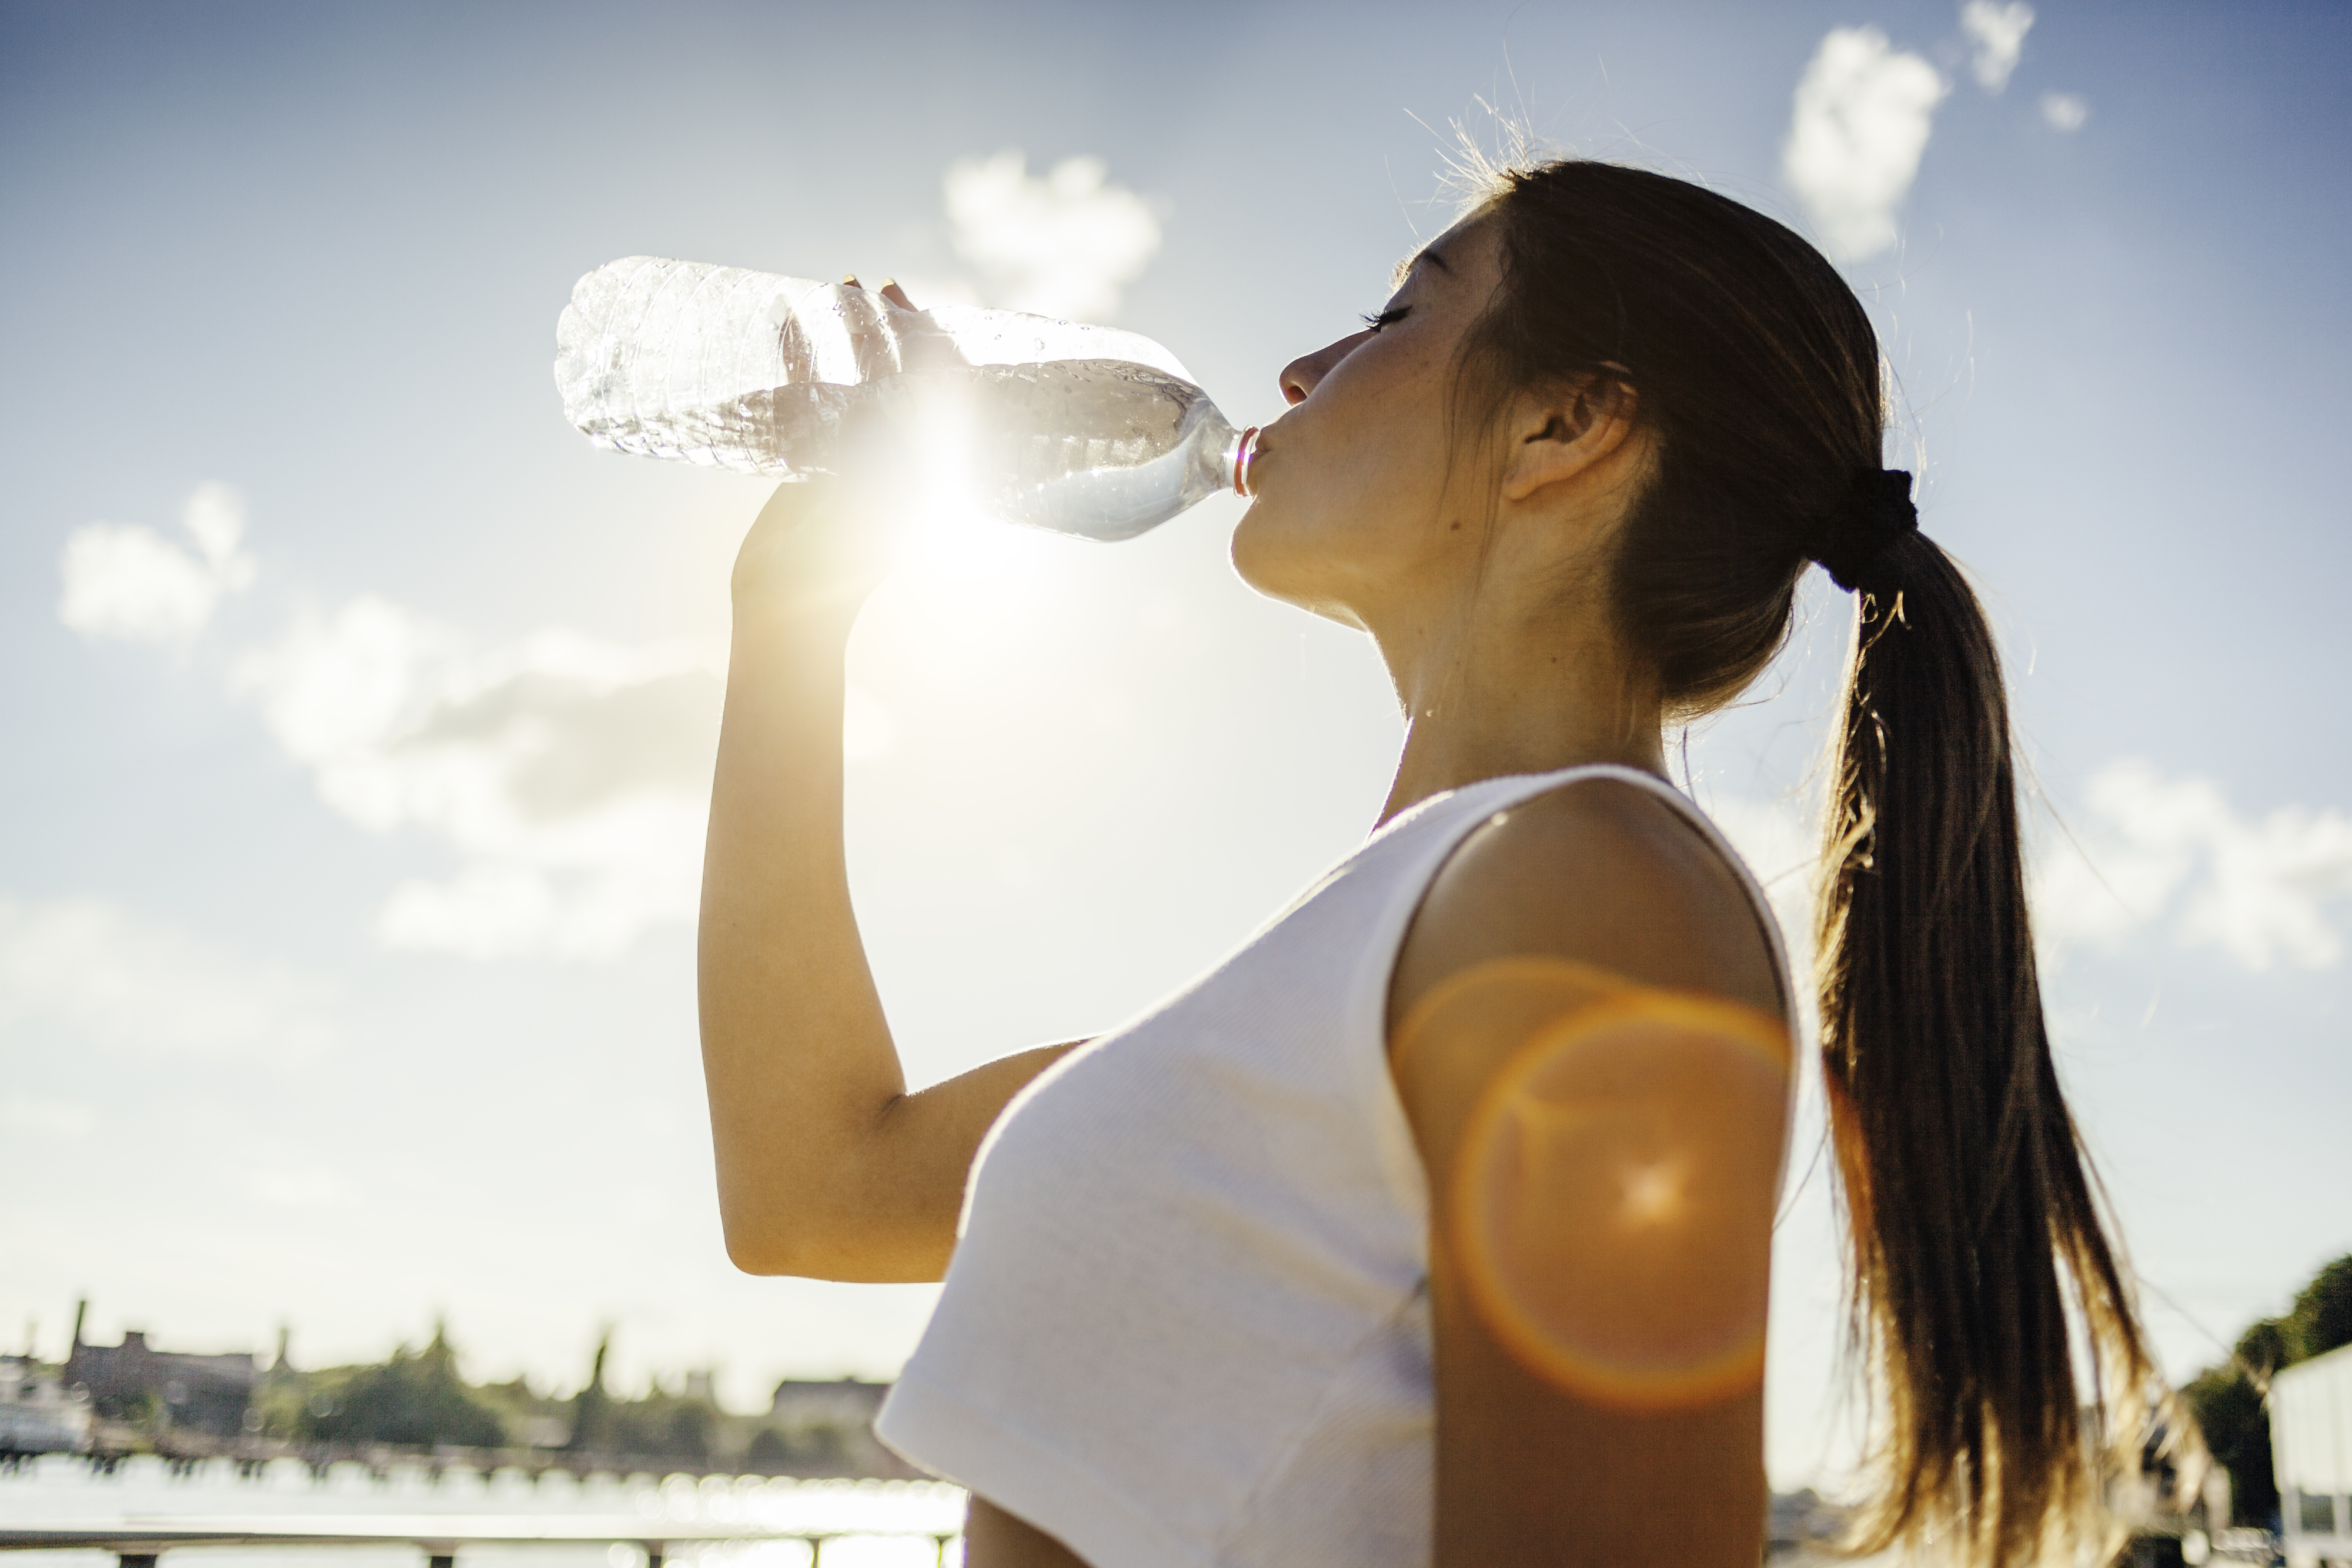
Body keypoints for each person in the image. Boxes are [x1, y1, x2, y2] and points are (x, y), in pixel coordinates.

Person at [697, 157, 2160, 1567]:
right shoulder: (1404, 925)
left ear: (1564, 423)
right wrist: (788, 617)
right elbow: (816, 1185)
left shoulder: (1590, 893)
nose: (1296, 370)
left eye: (1396, 316)